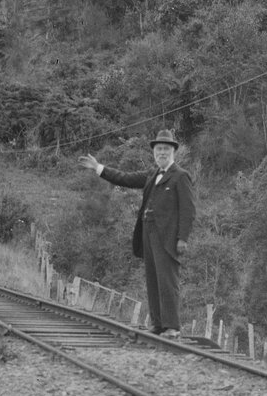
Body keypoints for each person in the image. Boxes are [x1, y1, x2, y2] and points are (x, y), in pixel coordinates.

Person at [81, 129, 194, 336]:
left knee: (167, 281)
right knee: (153, 279)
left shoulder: (181, 176)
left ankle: (172, 326)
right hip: (148, 234)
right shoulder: (152, 174)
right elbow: (124, 178)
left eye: (166, 149)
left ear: (173, 152)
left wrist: (182, 238)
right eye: (159, 149)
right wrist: (98, 168)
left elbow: (188, 210)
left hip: (167, 237)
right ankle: (158, 324)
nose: (162, 152)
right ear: (154, 152)